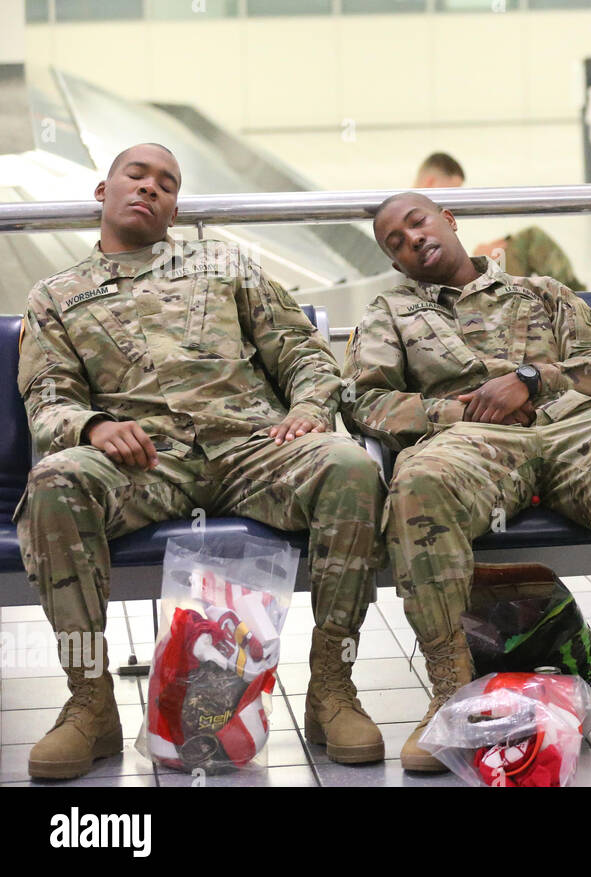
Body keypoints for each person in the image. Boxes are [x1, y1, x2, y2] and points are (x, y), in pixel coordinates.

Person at [17, 143, 387, 779]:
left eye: (167, 183)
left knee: (350, 467)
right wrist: (95, 425)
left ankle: (332, 688)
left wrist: (309, 408)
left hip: (252, 448)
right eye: (136, 176)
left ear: (176, 209)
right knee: (55, 482)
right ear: (101, 193)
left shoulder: (223, 266)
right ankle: (90, 704)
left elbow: (304, 353)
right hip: (146, 460)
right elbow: (49, 401)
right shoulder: (56, 295)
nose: (150, 188)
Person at [343, 192, 591, 771]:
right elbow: (365, 402)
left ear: (449, 221)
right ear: (395, 263)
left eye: (418, 223)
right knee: (416, 486)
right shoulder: (391, 313)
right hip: (473, 444)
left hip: (574, 429)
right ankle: (451, 697)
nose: (412, 241)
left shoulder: (543, 293)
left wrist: (529, 380)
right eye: (394, 244)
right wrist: (462, 413)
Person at [414, 151, 591, 316]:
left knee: (526, 248)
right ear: (432, 181)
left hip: (463, 283)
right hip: (458, 295)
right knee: (532, 240)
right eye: (452, 193)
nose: (453, 204)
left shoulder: (414, 216)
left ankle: (589, 304)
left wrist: (478, 255)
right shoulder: (410, 219)